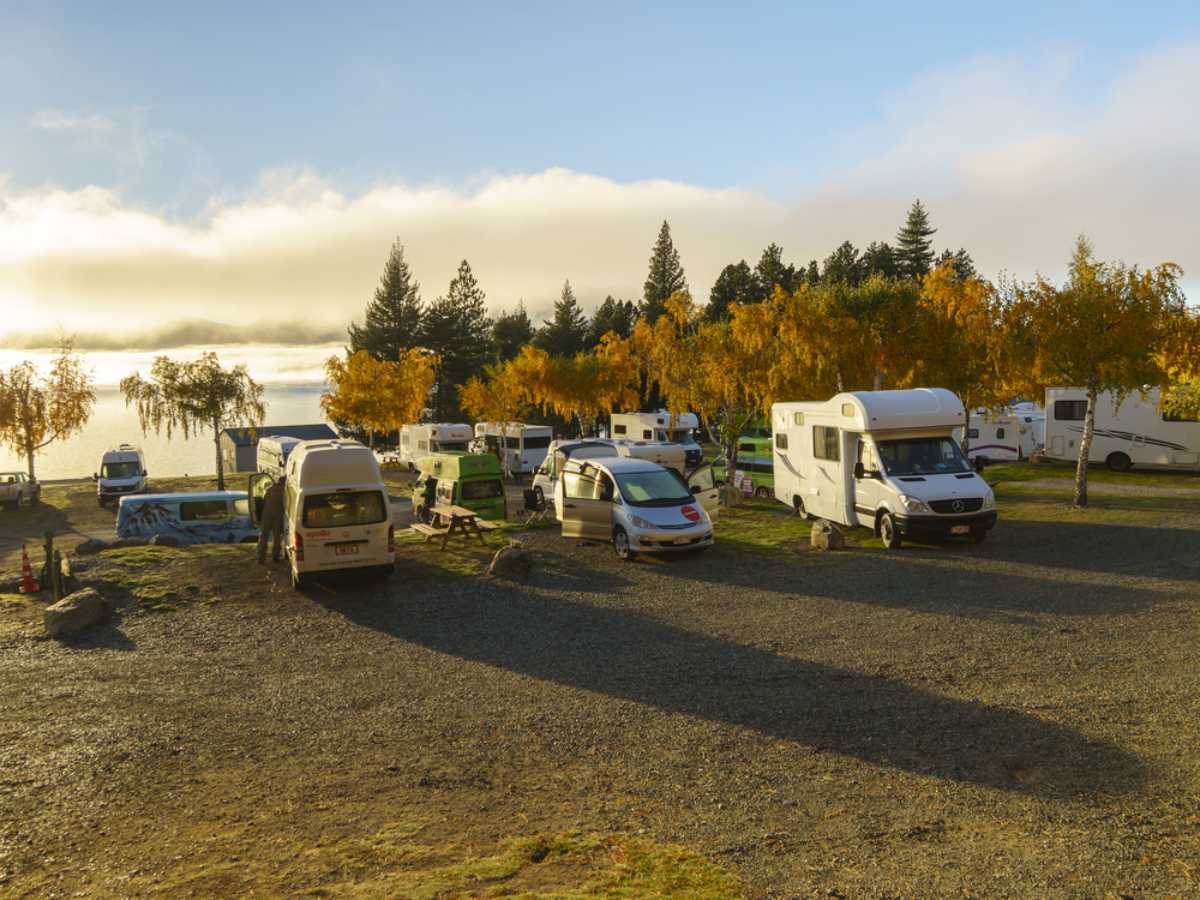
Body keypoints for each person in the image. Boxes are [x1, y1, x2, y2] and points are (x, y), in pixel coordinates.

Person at [257, 477, 286, 565]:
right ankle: (275, 556)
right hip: (278, 516)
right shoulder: (284, 491)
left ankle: (261, 557)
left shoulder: (269, 489)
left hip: (267, 515)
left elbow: (264, 501)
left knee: (263, 537)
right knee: (276, 537)